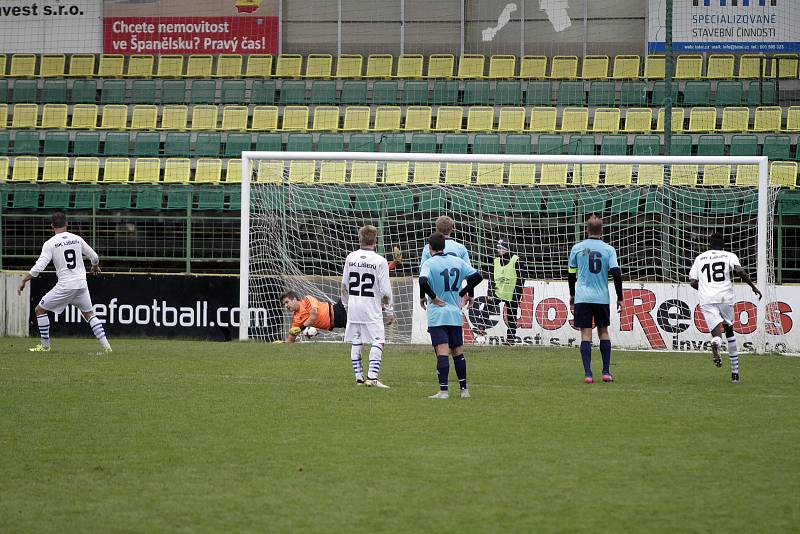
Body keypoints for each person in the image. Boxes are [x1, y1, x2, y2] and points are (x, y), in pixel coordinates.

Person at [17, 211, 111, 353]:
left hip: (66, 285)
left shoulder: (50, 244)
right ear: (67, 224)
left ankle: (45, 346)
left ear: (51, 226)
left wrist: (24, 278)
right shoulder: (77, 239)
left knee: (39, 310)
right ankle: (107, 347)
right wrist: (95, 265)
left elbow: (39, 266)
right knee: (90, 315)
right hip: (81, 284)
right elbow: (94, 256)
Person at [688, 232, 762, 384]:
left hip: (707, 299)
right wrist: (753, 287)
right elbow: (740, 271)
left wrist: (705, 289)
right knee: (729, 329)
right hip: (724, 298)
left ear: (709, 244)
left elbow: (693, 281)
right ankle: (735, 373)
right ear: (723, 245)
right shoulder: (729, 255)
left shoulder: (700, 258)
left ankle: (716, 342)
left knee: (716, 333)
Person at [419, 232, 483, 399]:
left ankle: (443, 391)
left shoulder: (429, 263)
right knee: (458, 352)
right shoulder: (458, 261)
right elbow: (477, 277)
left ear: (430, 247)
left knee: (442, 351)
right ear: (444, 246)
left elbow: (423, 281)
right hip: (455, 313)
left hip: (438, 314)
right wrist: (462, 292)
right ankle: (464, 390)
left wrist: (432, 297)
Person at [568, 215, 623, 384]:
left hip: (583, 297)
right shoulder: (608, 249)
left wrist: (572, 294)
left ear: (586, 230)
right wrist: (620, 297)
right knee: (603, 332)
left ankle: (588, 374)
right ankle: (605, 372)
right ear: (602, 230)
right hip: (601, 298)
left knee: (586, 335)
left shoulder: (578, 248)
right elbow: (616, 273)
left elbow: (571, 274)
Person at [341, 225, 395, 388]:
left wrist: (345, 304)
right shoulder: (380, 261)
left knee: (357, 340)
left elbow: (344, 284)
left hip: (354, 306)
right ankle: (372, 377)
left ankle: (359, 377)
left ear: (360, 239)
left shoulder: (351, 257)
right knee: (378, 340)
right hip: (371, 308)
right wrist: (390, 311)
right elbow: (385, 291)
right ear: (375, 240)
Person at [419, 216, 472, 309]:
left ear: (436, 229)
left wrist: (422, 295)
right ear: (452, 229)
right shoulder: (460, 248)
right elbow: (470, 276)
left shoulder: (428, 247)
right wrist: (470, 294)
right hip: (456, 296)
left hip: (435, 297)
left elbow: (422, 276)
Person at [488, 239, 523, 345]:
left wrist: (518, 293)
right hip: (498, 292)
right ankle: (480, 330)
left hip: (512, 293)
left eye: (501, 248)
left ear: (507, 249)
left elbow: (521, 279)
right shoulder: (495, 261)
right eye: (498, 248)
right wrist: (490, 292)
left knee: (511, 316)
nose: (499, 250)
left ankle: (511, 338)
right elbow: (491, 278)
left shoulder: (516, 260)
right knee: (486, 309)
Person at [279, 291, 347, 343]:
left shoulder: (307, 299)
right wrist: (283, 343)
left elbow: (313, 315)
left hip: (339, 310)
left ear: (294, 299)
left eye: (287, 302)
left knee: (352, 293)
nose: (285, 306)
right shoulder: (296, 318)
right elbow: (292, 336)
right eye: (284, 304)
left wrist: (300, 328)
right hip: (338, 322)